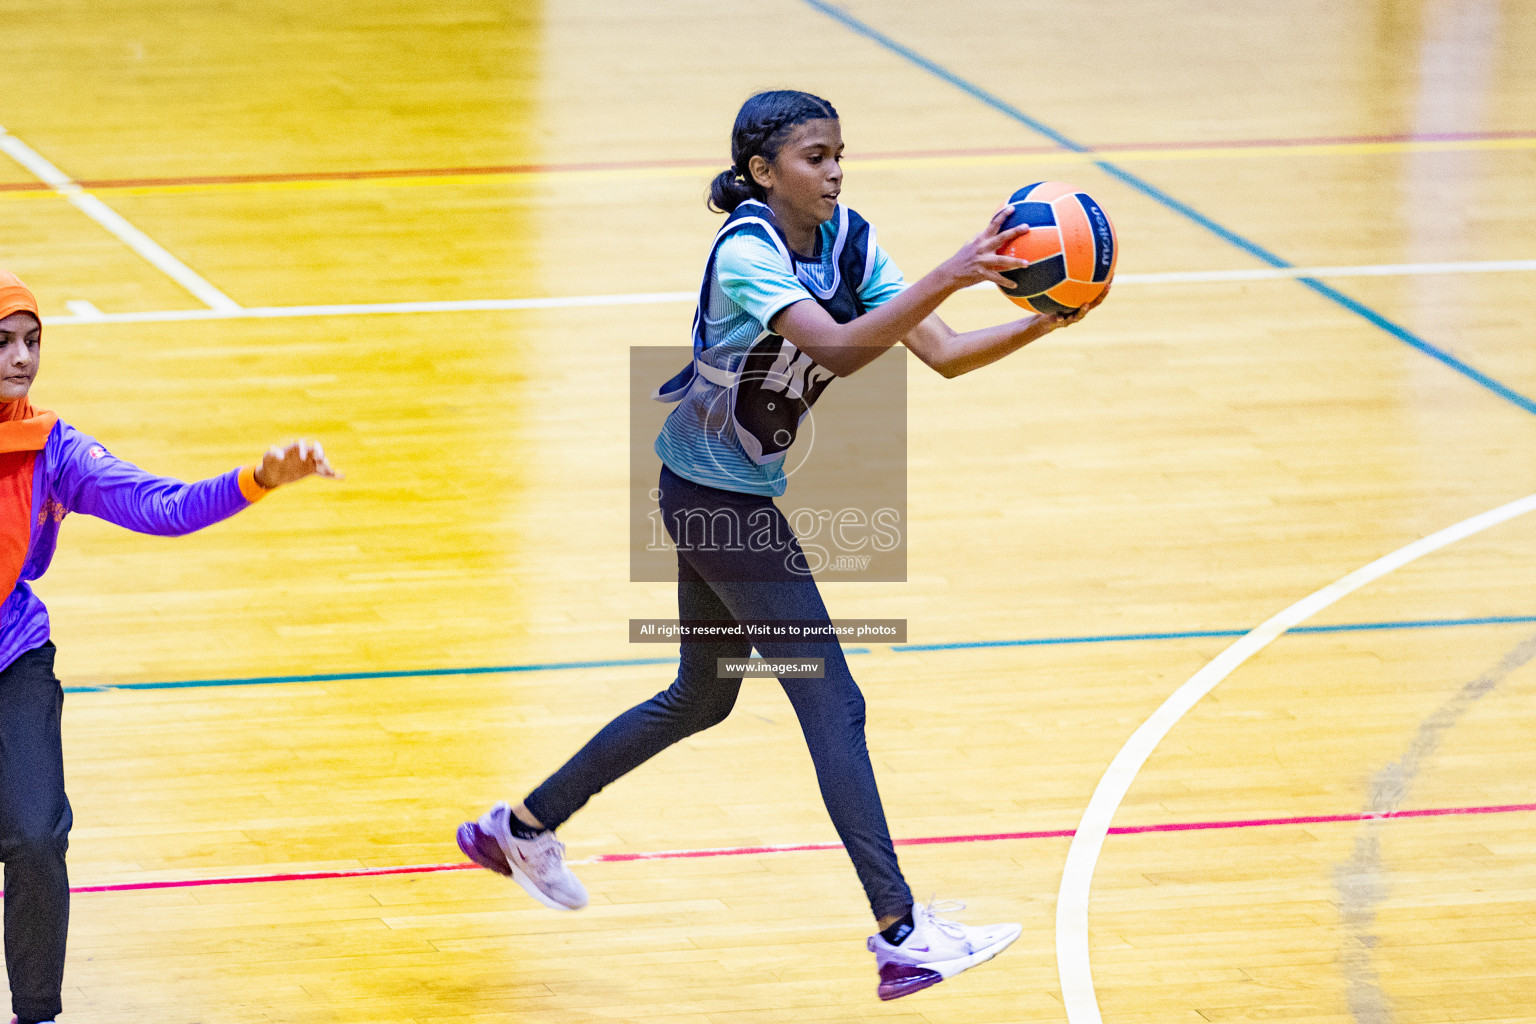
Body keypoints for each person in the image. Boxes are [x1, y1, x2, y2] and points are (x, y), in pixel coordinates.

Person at [457, 90, 1109, 1001]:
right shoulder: (747, 251)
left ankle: (517, 829)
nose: (835, 170)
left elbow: (946, 353)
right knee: (834, 704)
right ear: (764, 172)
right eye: (814, 156)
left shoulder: (851, 241)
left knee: (700, 698)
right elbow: (838, 348)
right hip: (716, 503)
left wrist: (1042, 319)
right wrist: (955, 268)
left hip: (722, 492)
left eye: (841, 153)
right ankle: (902, 932)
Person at [0, 270, 341, 1024]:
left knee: (33, 835)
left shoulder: (51, 449)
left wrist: (255, 480)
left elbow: (165, 506)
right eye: (3, 343)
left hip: (12, 658)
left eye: (32, 341)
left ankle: (36, 1012)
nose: (21, 358)